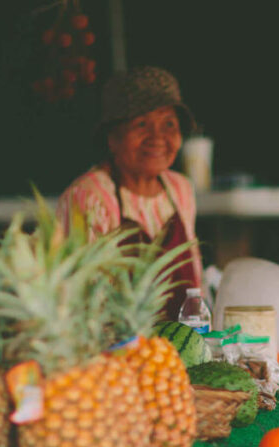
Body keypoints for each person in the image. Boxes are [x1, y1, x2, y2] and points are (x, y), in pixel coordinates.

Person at [57, 66, 204, 320]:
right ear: (112, 138)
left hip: (180, 346)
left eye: (169, 123)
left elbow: (194, 280)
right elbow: (82, 300)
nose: (157, 137)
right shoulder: (90, 196)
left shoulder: (180, 189)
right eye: (141, 124)